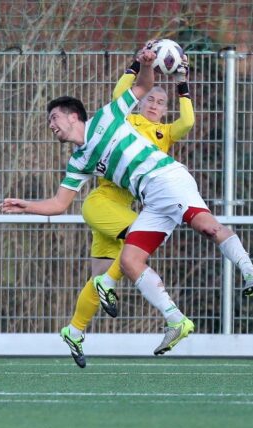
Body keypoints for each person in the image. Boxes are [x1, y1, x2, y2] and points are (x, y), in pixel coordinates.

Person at [1, 48, 253, 364]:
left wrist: (145, 64)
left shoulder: (107, 116)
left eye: (54, 118)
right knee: (129, 260)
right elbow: (60, 204)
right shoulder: (79, 161)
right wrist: (27, 206)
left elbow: (142, 86)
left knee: (207, 227)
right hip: (150, 199)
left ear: (73, 115)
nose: (51, 125)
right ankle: (175, 320)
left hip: (166, 179)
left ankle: (251, 274)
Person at [54, 46, 196, 368]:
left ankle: (74, 331)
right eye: (150, 100)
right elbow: (122, 92)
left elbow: (187, 121)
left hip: (121, 208)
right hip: (105, 201)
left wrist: (182, 81)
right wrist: (138, 63)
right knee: (135, 246)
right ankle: (158, 311)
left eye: (161, 102)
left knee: (101, 276)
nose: (155, 105)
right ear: (141, 102)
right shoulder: (127, 119)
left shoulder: (164, 134)